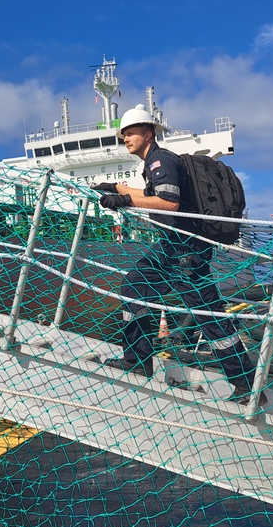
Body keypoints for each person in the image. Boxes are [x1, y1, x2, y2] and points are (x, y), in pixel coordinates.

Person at [92, 105, 262, 405]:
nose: (125, 139)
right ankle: (138, 360)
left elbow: (169, 203)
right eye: (123, 135)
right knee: (136, 286)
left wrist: (123, 199)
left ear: (147, 133)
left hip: (185, 249)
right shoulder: (155, 162)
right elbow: (154, 196)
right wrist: (119, 189)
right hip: (176, 244)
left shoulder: (161, 160)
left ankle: (247, 384)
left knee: (208, 317)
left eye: (130, 133)